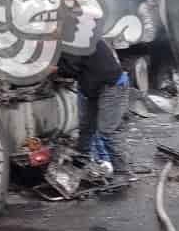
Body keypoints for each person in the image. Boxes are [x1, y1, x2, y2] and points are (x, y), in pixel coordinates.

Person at [56, 39, 132, 185]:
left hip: (112, 86)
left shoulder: (77, 39)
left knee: (107, 131)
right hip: (91, 87)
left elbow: (70, 69)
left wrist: (53, 69)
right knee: (86, 127)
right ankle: (81, 161)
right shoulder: (76, 36)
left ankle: (122, 172)